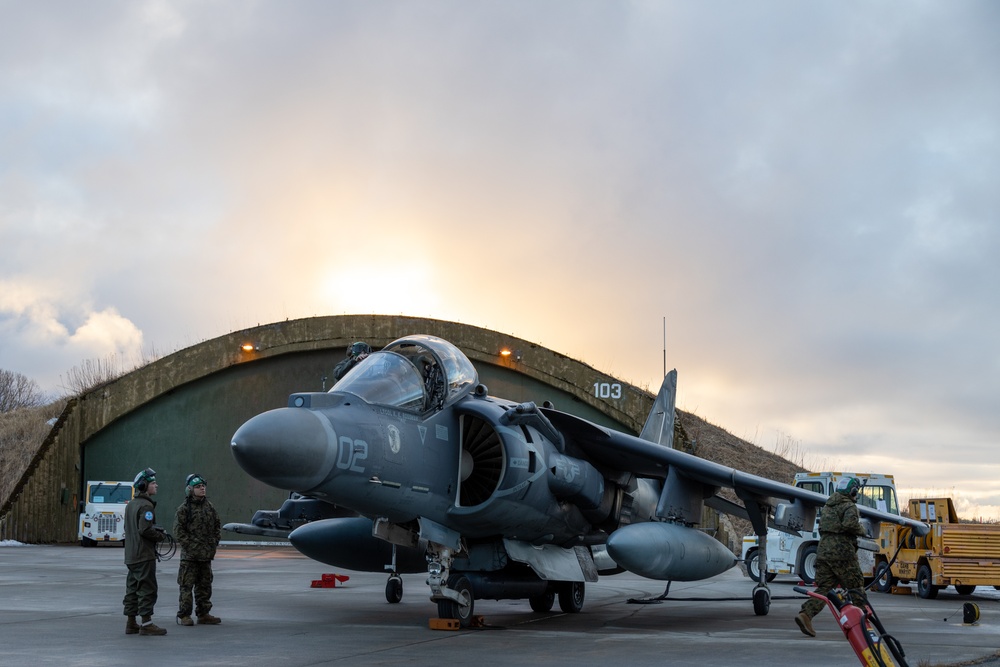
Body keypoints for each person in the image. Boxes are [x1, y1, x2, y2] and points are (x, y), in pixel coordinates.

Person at [795, 476, 868, 637]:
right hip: (842, 552)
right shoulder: (849, 506)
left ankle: (806, 614)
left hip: (823, 550)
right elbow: (850, 524)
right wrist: (862, 530)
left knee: (825, 588)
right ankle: (863, 625)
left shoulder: (828, 505)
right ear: (853, 491)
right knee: (856, 586)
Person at [173, 473, 222, 626]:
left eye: (203, 486)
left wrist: (213, 543)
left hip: (205, 556)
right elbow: (178, 531)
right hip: (190, 557)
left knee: (205, 586)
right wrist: (191, 546)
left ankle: (203, 613)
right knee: (186, 586)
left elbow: (216, 526)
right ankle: (184, 615)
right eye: (198, 487)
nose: (202, 489)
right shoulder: (184, 509)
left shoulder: (209, 507)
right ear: (190, 490)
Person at [123, 467, 167, 636]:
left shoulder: (131, 505)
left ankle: (131, 622)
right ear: (143, 486)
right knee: (147, 588)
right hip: (144, 555)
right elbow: (145, 530)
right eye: (153, 483)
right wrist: (160, 536)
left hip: (131, 555)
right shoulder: (146, 506)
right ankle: (147, 623)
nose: (156, 486)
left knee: (132, 589)